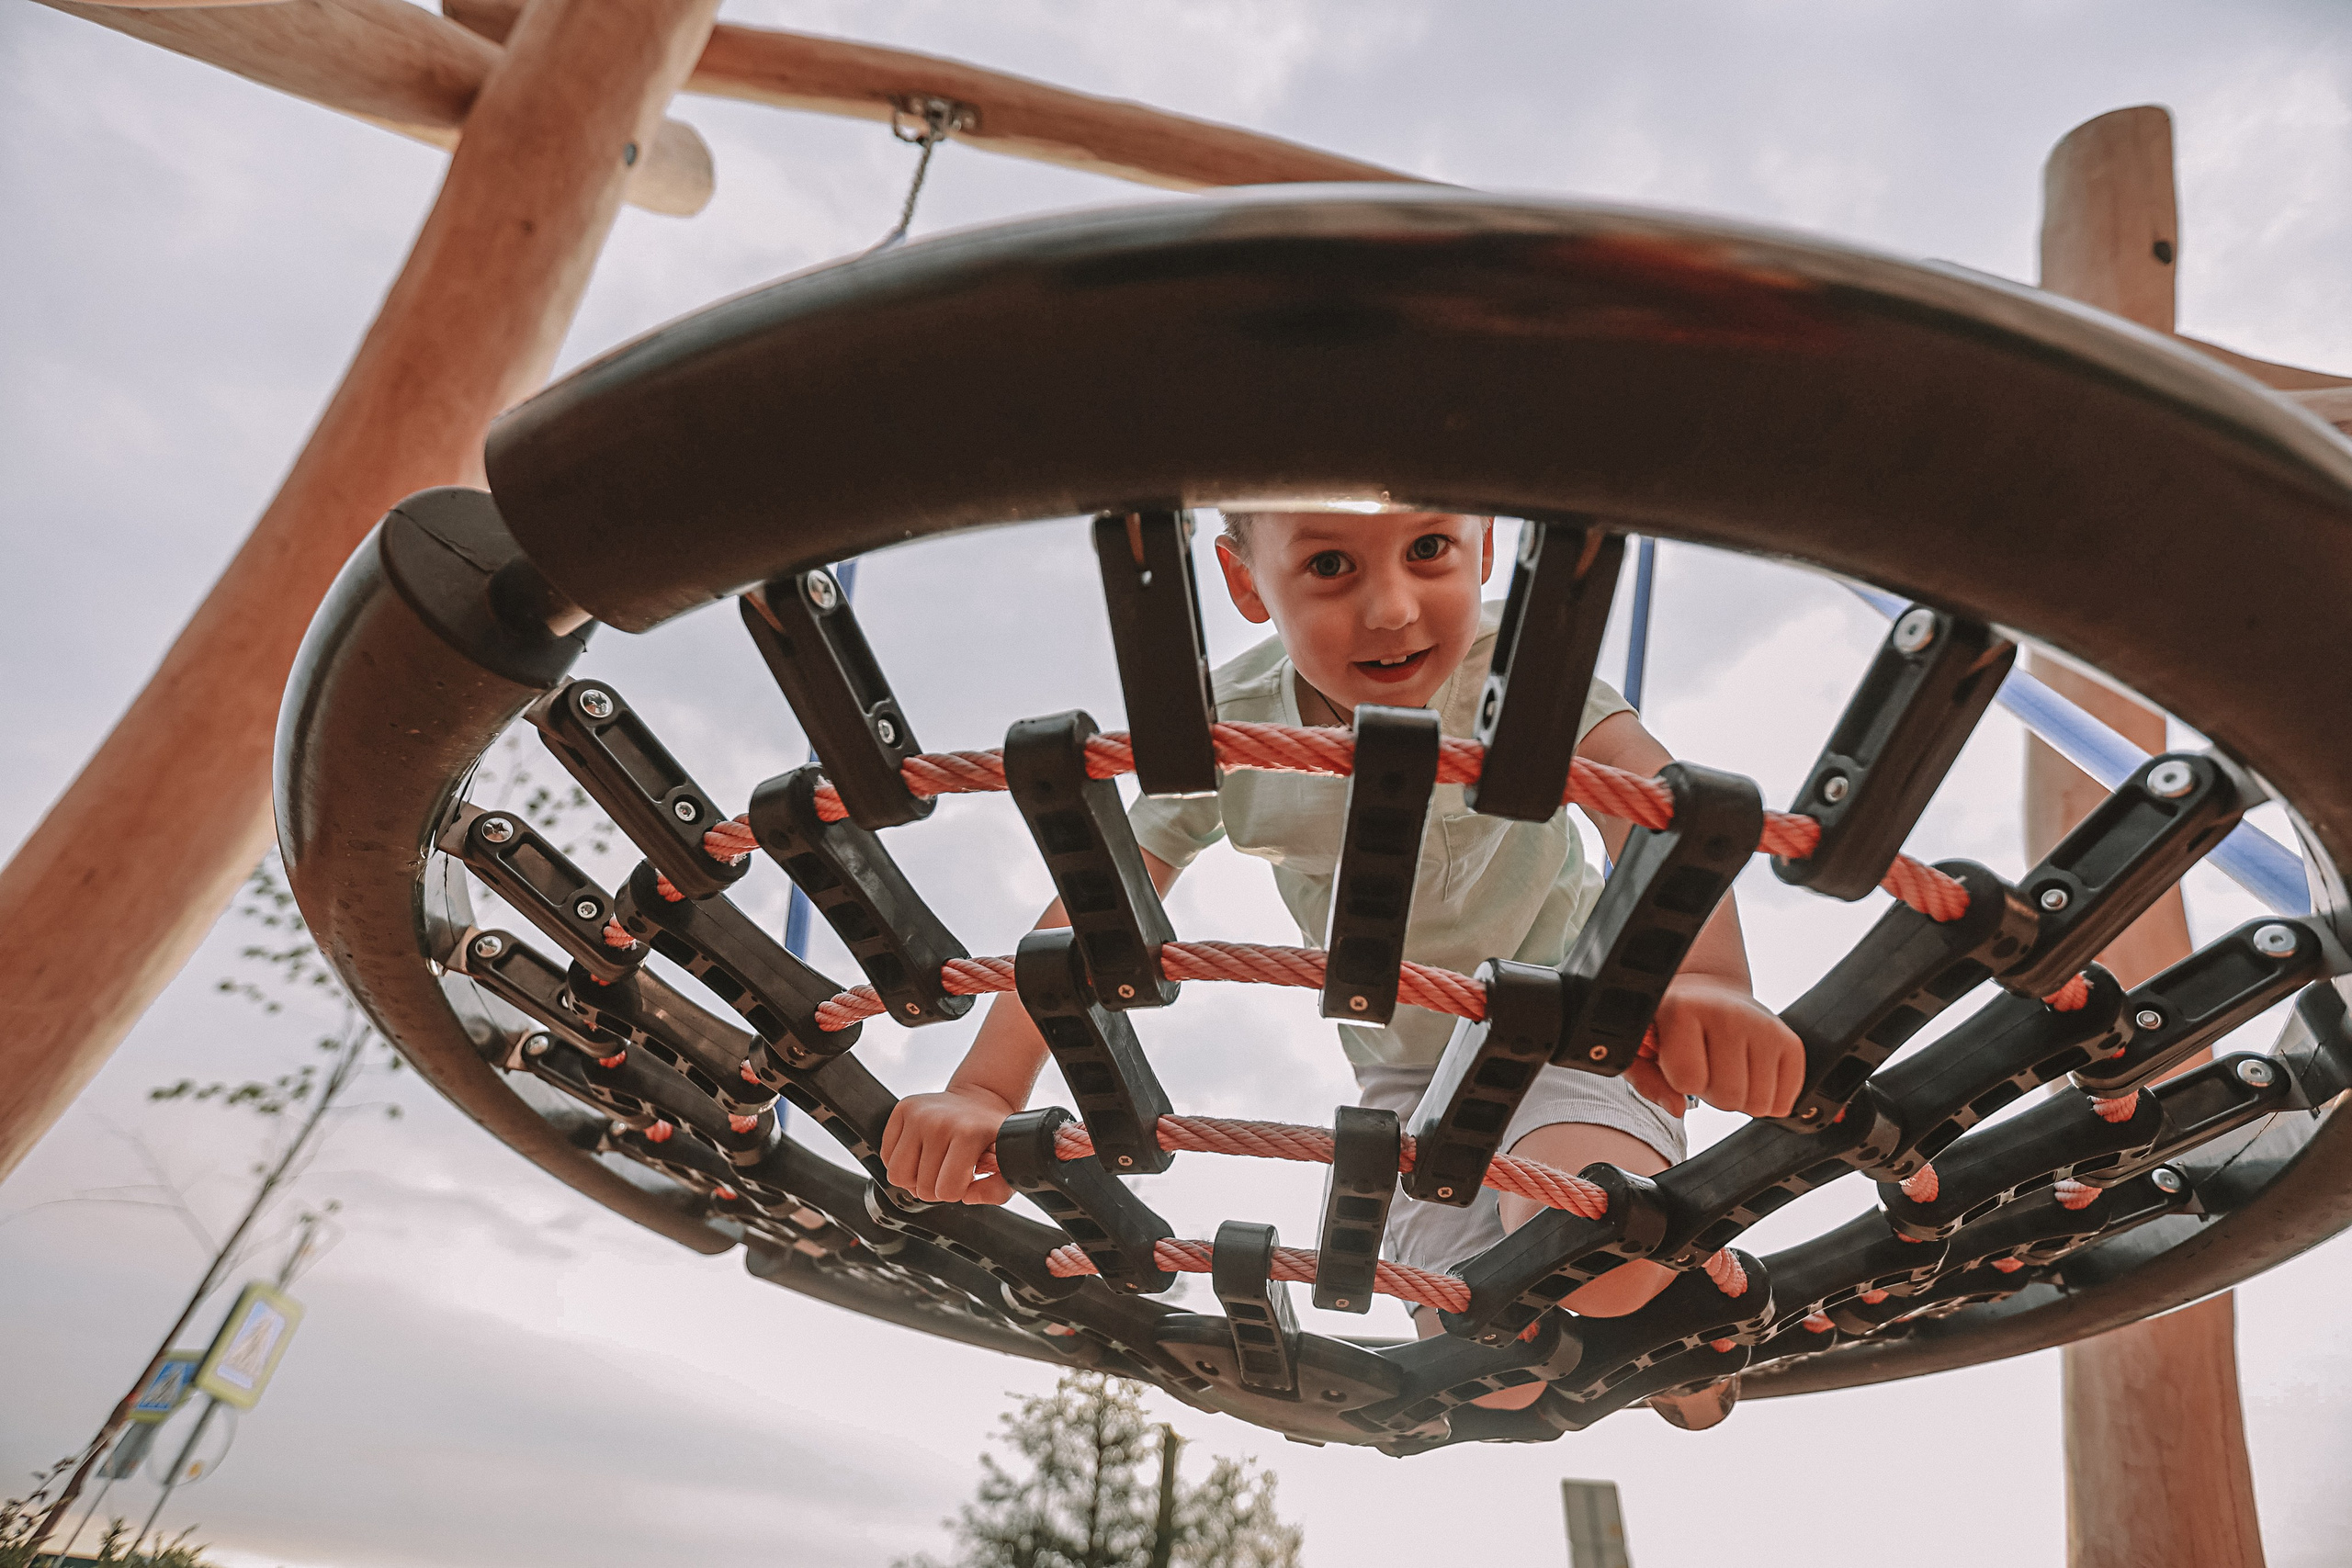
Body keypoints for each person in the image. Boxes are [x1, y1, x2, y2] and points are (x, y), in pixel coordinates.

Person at [880, 510, 1802, 1425]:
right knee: (1493, 1358)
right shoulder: (1219, 723)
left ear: (1482, 545)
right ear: (1247, 583)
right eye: (1329, 564)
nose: (1393, 608)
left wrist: (1707, 980)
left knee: (1592, 1257)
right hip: (1402, 1073)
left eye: (1427, 550)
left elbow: (1655, 808)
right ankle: (1644, 1336)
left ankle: (1671, 1327)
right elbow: (1099, 903)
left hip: (1573, 1017)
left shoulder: (1527, 675)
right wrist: (987, 1090)